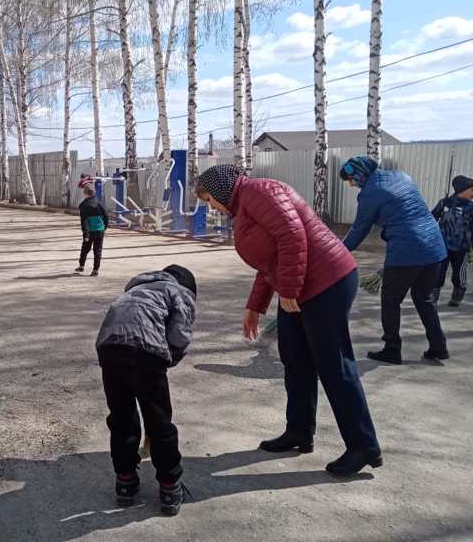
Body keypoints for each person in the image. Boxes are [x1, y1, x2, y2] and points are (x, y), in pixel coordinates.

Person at [196, 164, 381, 476]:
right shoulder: (243, 206)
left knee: (334, 365)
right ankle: (299, 431)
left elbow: (292, 237)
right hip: (299, 286)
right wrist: (255, 305)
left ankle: (363, 446)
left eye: (210, 199)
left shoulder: (258, 191)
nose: (211, 206)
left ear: (221, 189)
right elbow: (269, 258)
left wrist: (289, 290)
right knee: (295, 358)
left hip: (327, 282)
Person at [96, 265, 196, 516]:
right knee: (159, 421)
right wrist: (167, 360)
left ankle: (125, 481)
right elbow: (179, 335)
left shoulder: (134, 290)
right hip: (146, 353)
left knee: (121, 417)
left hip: (109, 349)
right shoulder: (178, 292)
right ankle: (170, 486)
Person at [341, 156, 448, 363]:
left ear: (360, 174)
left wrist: (338, 251)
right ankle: (438, 346)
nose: (351, 184)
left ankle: (392, 348)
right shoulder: (402, 176)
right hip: (435, 247)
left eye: (351, 179)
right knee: (424, 298)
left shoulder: (370, 193)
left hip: (407, 250)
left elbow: (359, 229)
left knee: (390, 300)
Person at [431, 175, 473, 307]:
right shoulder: (445, 203)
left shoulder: (471, 208)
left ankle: (457, 295)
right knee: (438, 271)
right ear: (462, 190)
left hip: (462, 246)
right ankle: (433, 296)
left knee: (459, 273)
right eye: (472, 190)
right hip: (442, 245)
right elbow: (432, 218)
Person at [76, 184, 108, 277]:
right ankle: (95, 270)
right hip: (100, 230)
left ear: (85, 193)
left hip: (89, 231)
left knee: (85, 248)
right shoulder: (100, 203)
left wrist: (85, 235)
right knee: (97, 250)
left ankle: (81, 265)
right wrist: (104, 227)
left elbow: (84, 222)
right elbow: (106, 216)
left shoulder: (84, 205)